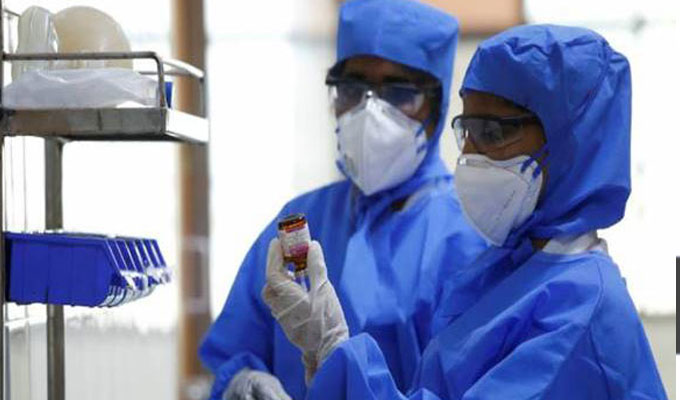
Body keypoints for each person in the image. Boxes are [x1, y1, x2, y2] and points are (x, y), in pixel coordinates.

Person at [263, 24, 668, 399]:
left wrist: (333, 350)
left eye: (492, 133)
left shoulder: (581, 311)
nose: (470, 156)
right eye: (468, 132)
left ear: (570, 145)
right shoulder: (507, 271)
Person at [199, 0, 487, 399]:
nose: (370, 111)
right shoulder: (300, 221)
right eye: (352, 89)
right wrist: (241, 382)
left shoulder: (472, 235)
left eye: (399, 93)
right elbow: (235, 347)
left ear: (436, 109)